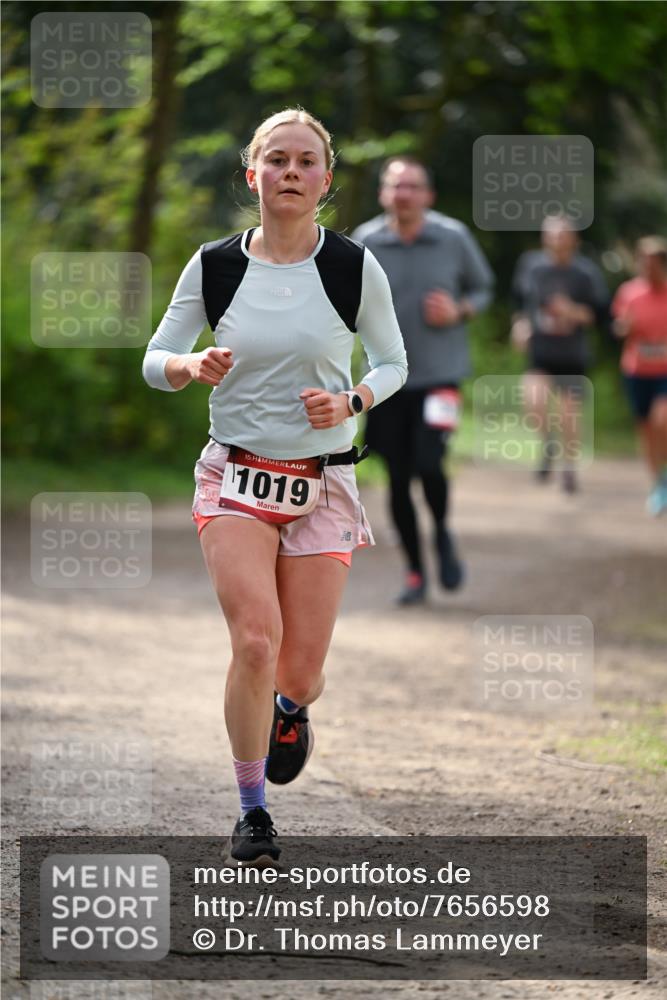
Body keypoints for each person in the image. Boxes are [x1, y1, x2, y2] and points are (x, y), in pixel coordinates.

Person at [142, 108, 407, 865]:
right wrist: (189, 365)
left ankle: (290, 710)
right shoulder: (214, 265)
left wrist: (352, 400)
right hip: (234, 475)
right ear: (252, 174)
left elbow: (393, 362)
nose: (291, 172)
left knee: (301, 671)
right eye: (277, 160)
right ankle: (252, 811)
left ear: (326, 180)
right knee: (256, 643)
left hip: (323, 481)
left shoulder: (352, 266)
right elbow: (156, 358)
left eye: (306, 162)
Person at [352, 156, 493, 605]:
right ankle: (415, 572)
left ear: (428, 195)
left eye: (413, 186)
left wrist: (459, 310)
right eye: (396, 186)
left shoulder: (453, 237)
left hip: (440, 378)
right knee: (397, 476)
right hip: (385, 380)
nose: (404, 194)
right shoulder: (366, 241)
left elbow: (483, 288)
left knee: (430, 463)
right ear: (383, 193)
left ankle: (443, 533)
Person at [511, 215, 608, 493]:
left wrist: (572, 311)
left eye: (562, 235)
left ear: (574, 239)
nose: (556, 241)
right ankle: (548, 444)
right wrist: (520, 325)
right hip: (540, 351)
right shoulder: (531, 266)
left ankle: (569, 467)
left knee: (568, 415)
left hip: (572, 356)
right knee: (533, 403)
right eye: (551, 235)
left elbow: (601, 315)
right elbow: (519, 303)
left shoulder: (585, 273)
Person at [611, 236, 667, 516]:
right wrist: (625, 327)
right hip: (636, 369)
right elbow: (618, 328)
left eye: (653, 262)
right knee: (646, 429)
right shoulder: (629, 292)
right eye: (643, 262)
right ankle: (658, 483)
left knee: (662, 419)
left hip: (665, 371)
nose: (648, 267)